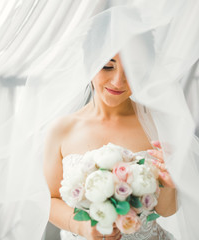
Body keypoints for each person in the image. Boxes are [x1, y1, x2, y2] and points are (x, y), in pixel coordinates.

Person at [44, 54, 177, 240]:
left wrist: (170, 184)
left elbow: (167, 210)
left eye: (133, 69)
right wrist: (82, 227)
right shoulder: (61, 129)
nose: (118, 81)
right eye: (107, 66)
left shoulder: (158, 125)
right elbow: (49, 199)